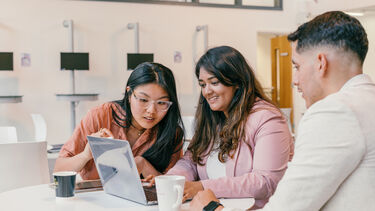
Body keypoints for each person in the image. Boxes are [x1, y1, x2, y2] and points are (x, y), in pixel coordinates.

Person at [189, 11, 375, 211]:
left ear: (321, 63)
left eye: (297, 66)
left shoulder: (335, 112)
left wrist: (210, 208)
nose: (295, 80)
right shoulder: (366, 101)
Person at [156, 46, 292, 209]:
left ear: (237, 82)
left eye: (214, 82)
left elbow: (264, 182)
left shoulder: (268, 119)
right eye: (202, 84)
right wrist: (171, 180)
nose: (207, 91)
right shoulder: (213, 118)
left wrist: (202, 186)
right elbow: (190, 162)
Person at [54, 62, 184, 180]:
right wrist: (86, 155)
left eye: (161, 103)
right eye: (143, 100)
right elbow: (59, 169)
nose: (151, 110)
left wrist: (143, 164)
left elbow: (174, 187)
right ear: (129, 94)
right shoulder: (100, 116)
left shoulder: (171, 133)